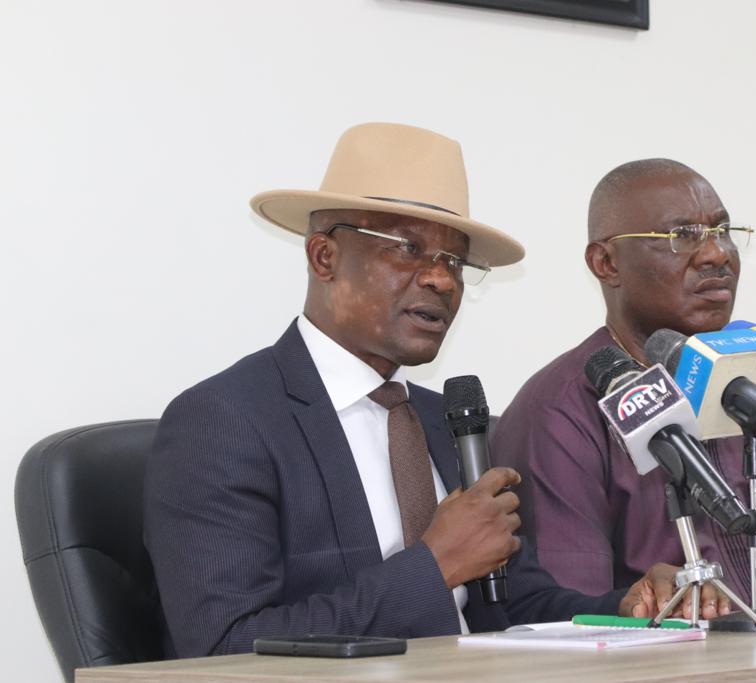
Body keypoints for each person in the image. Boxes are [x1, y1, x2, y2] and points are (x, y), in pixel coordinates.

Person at [143, 125, 726, 660]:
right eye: (406, 248)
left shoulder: (449, 421)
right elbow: (222, 644)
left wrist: (628, 606)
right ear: (324, 256)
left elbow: (517, 607)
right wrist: (435, 565)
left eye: (454, 261)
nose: (442, 279)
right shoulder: (224, 421)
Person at [491, 159, 756, 601]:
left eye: (723, 231)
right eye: (682, 235)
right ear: (606, 263)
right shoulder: (562, 410)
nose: (717, 254)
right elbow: (571, 616)